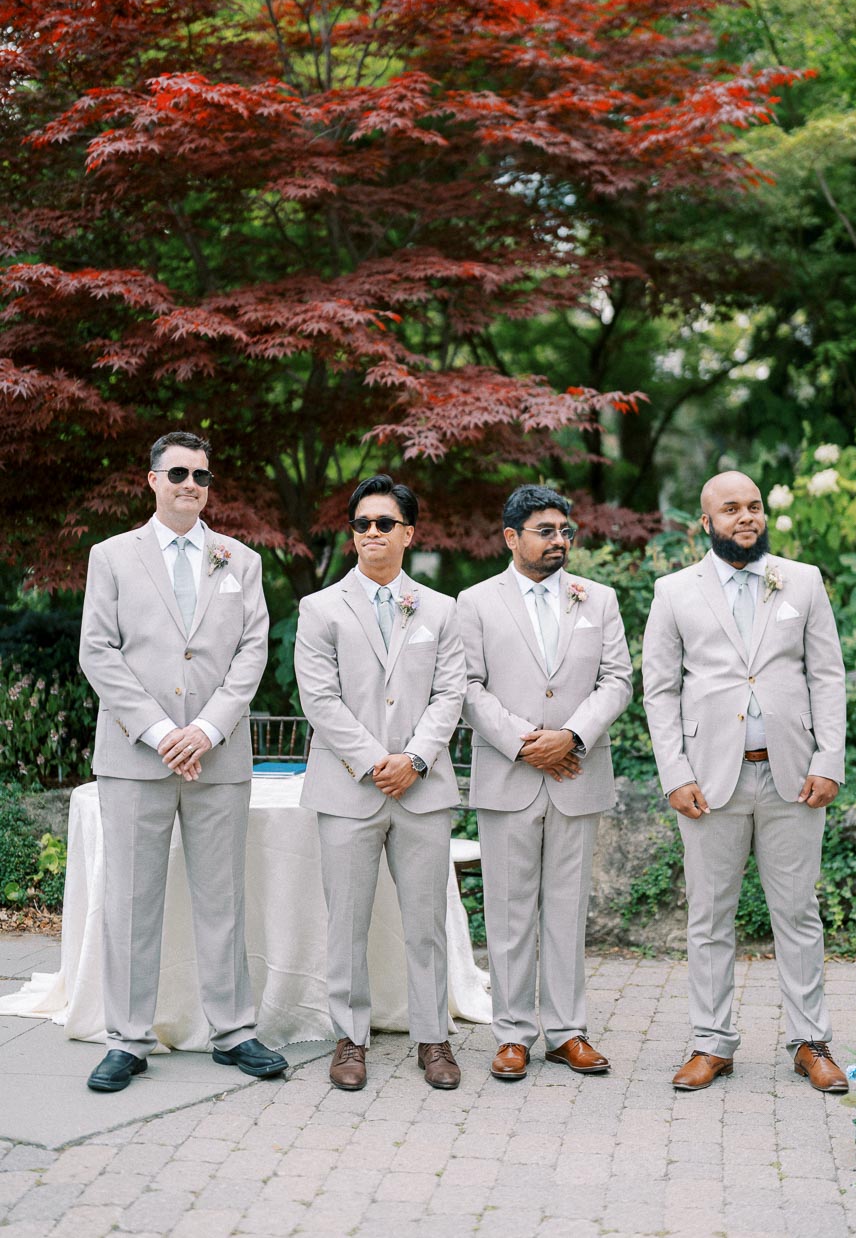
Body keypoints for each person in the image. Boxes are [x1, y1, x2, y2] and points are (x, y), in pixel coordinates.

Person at [79, 431, 287, 1092]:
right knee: (132, 902)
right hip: (135, 757)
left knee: (222, 900)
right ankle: (127, 1040)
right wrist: (159, 731)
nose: (190, 484)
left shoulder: (240, 561)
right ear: (152, 481)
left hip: (217, 756)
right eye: (177, 474)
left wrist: (204, 729)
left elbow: (251, 652)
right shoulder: (111, 557)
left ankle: (234, 1032)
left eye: (200, 475)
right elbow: (99, 653)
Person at [642, 470, 847, 1093]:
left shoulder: (803, 581)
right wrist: (675, 772)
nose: (746, 517)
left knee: (798, 914)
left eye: (754, 506)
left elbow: (827, 676)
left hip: (793, 778)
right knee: (708, 918)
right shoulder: (674, 591)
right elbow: (660, 690)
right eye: (730, 509)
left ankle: (811, 1041)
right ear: (706, 523)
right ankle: (712, 1042)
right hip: (709, 782)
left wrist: (829, 760)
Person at [294, 474, 467, 1091]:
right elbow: (318, 697)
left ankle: (433, 1038)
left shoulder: (442, 609)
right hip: (347, 789)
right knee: (347, 921)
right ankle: (350, 1037)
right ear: (352, 534)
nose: (371, 532)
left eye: (384, 523)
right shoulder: (318, 609)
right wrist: (375, 761)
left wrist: (414, 759)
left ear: (407, 533)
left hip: (422, 789)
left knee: (426, 920)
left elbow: (451, 693)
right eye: (361, 523)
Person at [457, 485, 632, 1081]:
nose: (559, 540)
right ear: (512, 537)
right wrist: (529, 741)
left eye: (565, 530)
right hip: (509, 774)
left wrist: (573, 737)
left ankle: (567, 1031)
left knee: (567, 910)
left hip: (577, 772)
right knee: (506, 912)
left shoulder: (599, 600)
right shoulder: (475, 602)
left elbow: (617, 680)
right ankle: (511, 1034)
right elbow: (467, 686)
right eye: (546, 530)